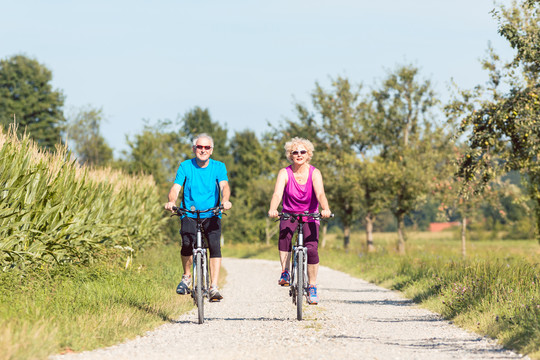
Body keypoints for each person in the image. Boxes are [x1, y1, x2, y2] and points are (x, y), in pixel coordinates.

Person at [165, 133, 232, 301]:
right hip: (189, 213)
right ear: (194, 149)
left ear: (212, 150)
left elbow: (224, 186)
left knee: (215, 246)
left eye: (207, 147)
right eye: (200, 147)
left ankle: (214, 287)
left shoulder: (218, 166)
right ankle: (187, 277)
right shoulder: (186, 166)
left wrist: (225, 200)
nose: (203, 150)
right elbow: (176, 187)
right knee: (187, 243)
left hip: (212, 213)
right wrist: (171, 201)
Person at [268, 137, 331, 305]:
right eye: (295, 152)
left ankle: (312, 286)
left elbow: (320, 194)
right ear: (290, 155)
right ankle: (285, 272)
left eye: (303, 151)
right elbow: (277, 194)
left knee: (311, 249)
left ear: (308, 154)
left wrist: (325, 208)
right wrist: (273, 208)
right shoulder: (285, 173)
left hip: (310, 214)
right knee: (285, 237)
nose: (299, 154)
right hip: (290, 213)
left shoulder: (314, 173)